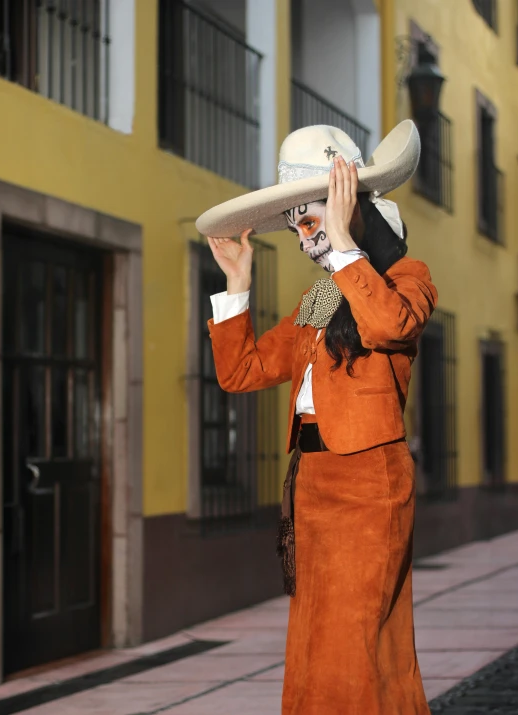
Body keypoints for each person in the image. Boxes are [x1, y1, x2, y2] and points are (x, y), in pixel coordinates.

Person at [196, 121, 437, 714]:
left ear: (350, 205)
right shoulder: (321, 297)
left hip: (367, 484)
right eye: (298, 223)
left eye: (313, 219)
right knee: (318, 641)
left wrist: (344, 248)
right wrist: (237, 284)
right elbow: (242, 372)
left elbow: (388, 326)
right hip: (313, 486)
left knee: (349, 644)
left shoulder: (407, 279)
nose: (305, 236)